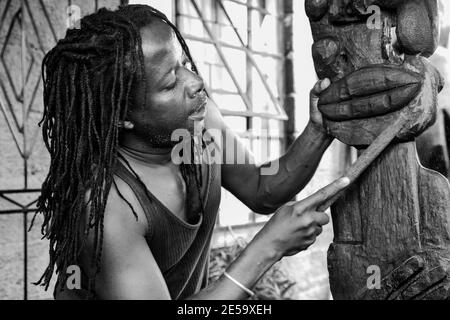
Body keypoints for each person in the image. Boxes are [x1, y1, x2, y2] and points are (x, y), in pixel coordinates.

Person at [32, 4, 349, 300]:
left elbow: (261, 189)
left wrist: (318, 129)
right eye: (170, 83)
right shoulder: (108, 209)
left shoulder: (197, 121)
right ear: (120, 114)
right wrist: (270, 245)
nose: (195, 82)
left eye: (183, 63)